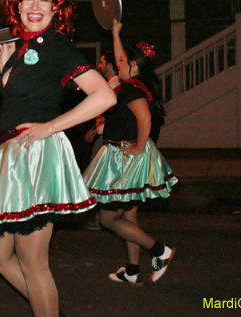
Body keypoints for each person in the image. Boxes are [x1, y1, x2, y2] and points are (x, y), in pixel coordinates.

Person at [0, 0, 116, 317]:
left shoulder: (58, 47)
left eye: (44, 0)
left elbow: (104, 96)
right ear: (16, 6)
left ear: (56, 8)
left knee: (33, 262)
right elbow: (25, 97)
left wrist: (50, 127)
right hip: (14, 155)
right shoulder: (17, 48)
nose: (34, 6)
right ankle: (48, 309)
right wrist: (5, 72)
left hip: (38, 154)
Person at [83, 19, 178, 286]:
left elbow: (144, 120)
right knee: (128, 216)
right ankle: (133, 271)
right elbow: (120, 57)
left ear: (133, 66)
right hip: (131, 157)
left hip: (125, 158)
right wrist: (116, 34)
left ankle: (159, 250)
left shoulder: (130, 88)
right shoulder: (139, 84)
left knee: (107, 219)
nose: (118, 62)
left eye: (123, 60)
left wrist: (136, 147)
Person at [82, 51, 120, 230]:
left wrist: (97, 131)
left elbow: (113, 112)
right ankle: (103, 216)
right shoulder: (109, 84)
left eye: (103, 62)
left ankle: (102, 217)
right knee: (98, 177)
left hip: (106, 138)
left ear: (111, 65)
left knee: (97, 177)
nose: (100, 64)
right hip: (102, 135)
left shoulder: (115, 85)